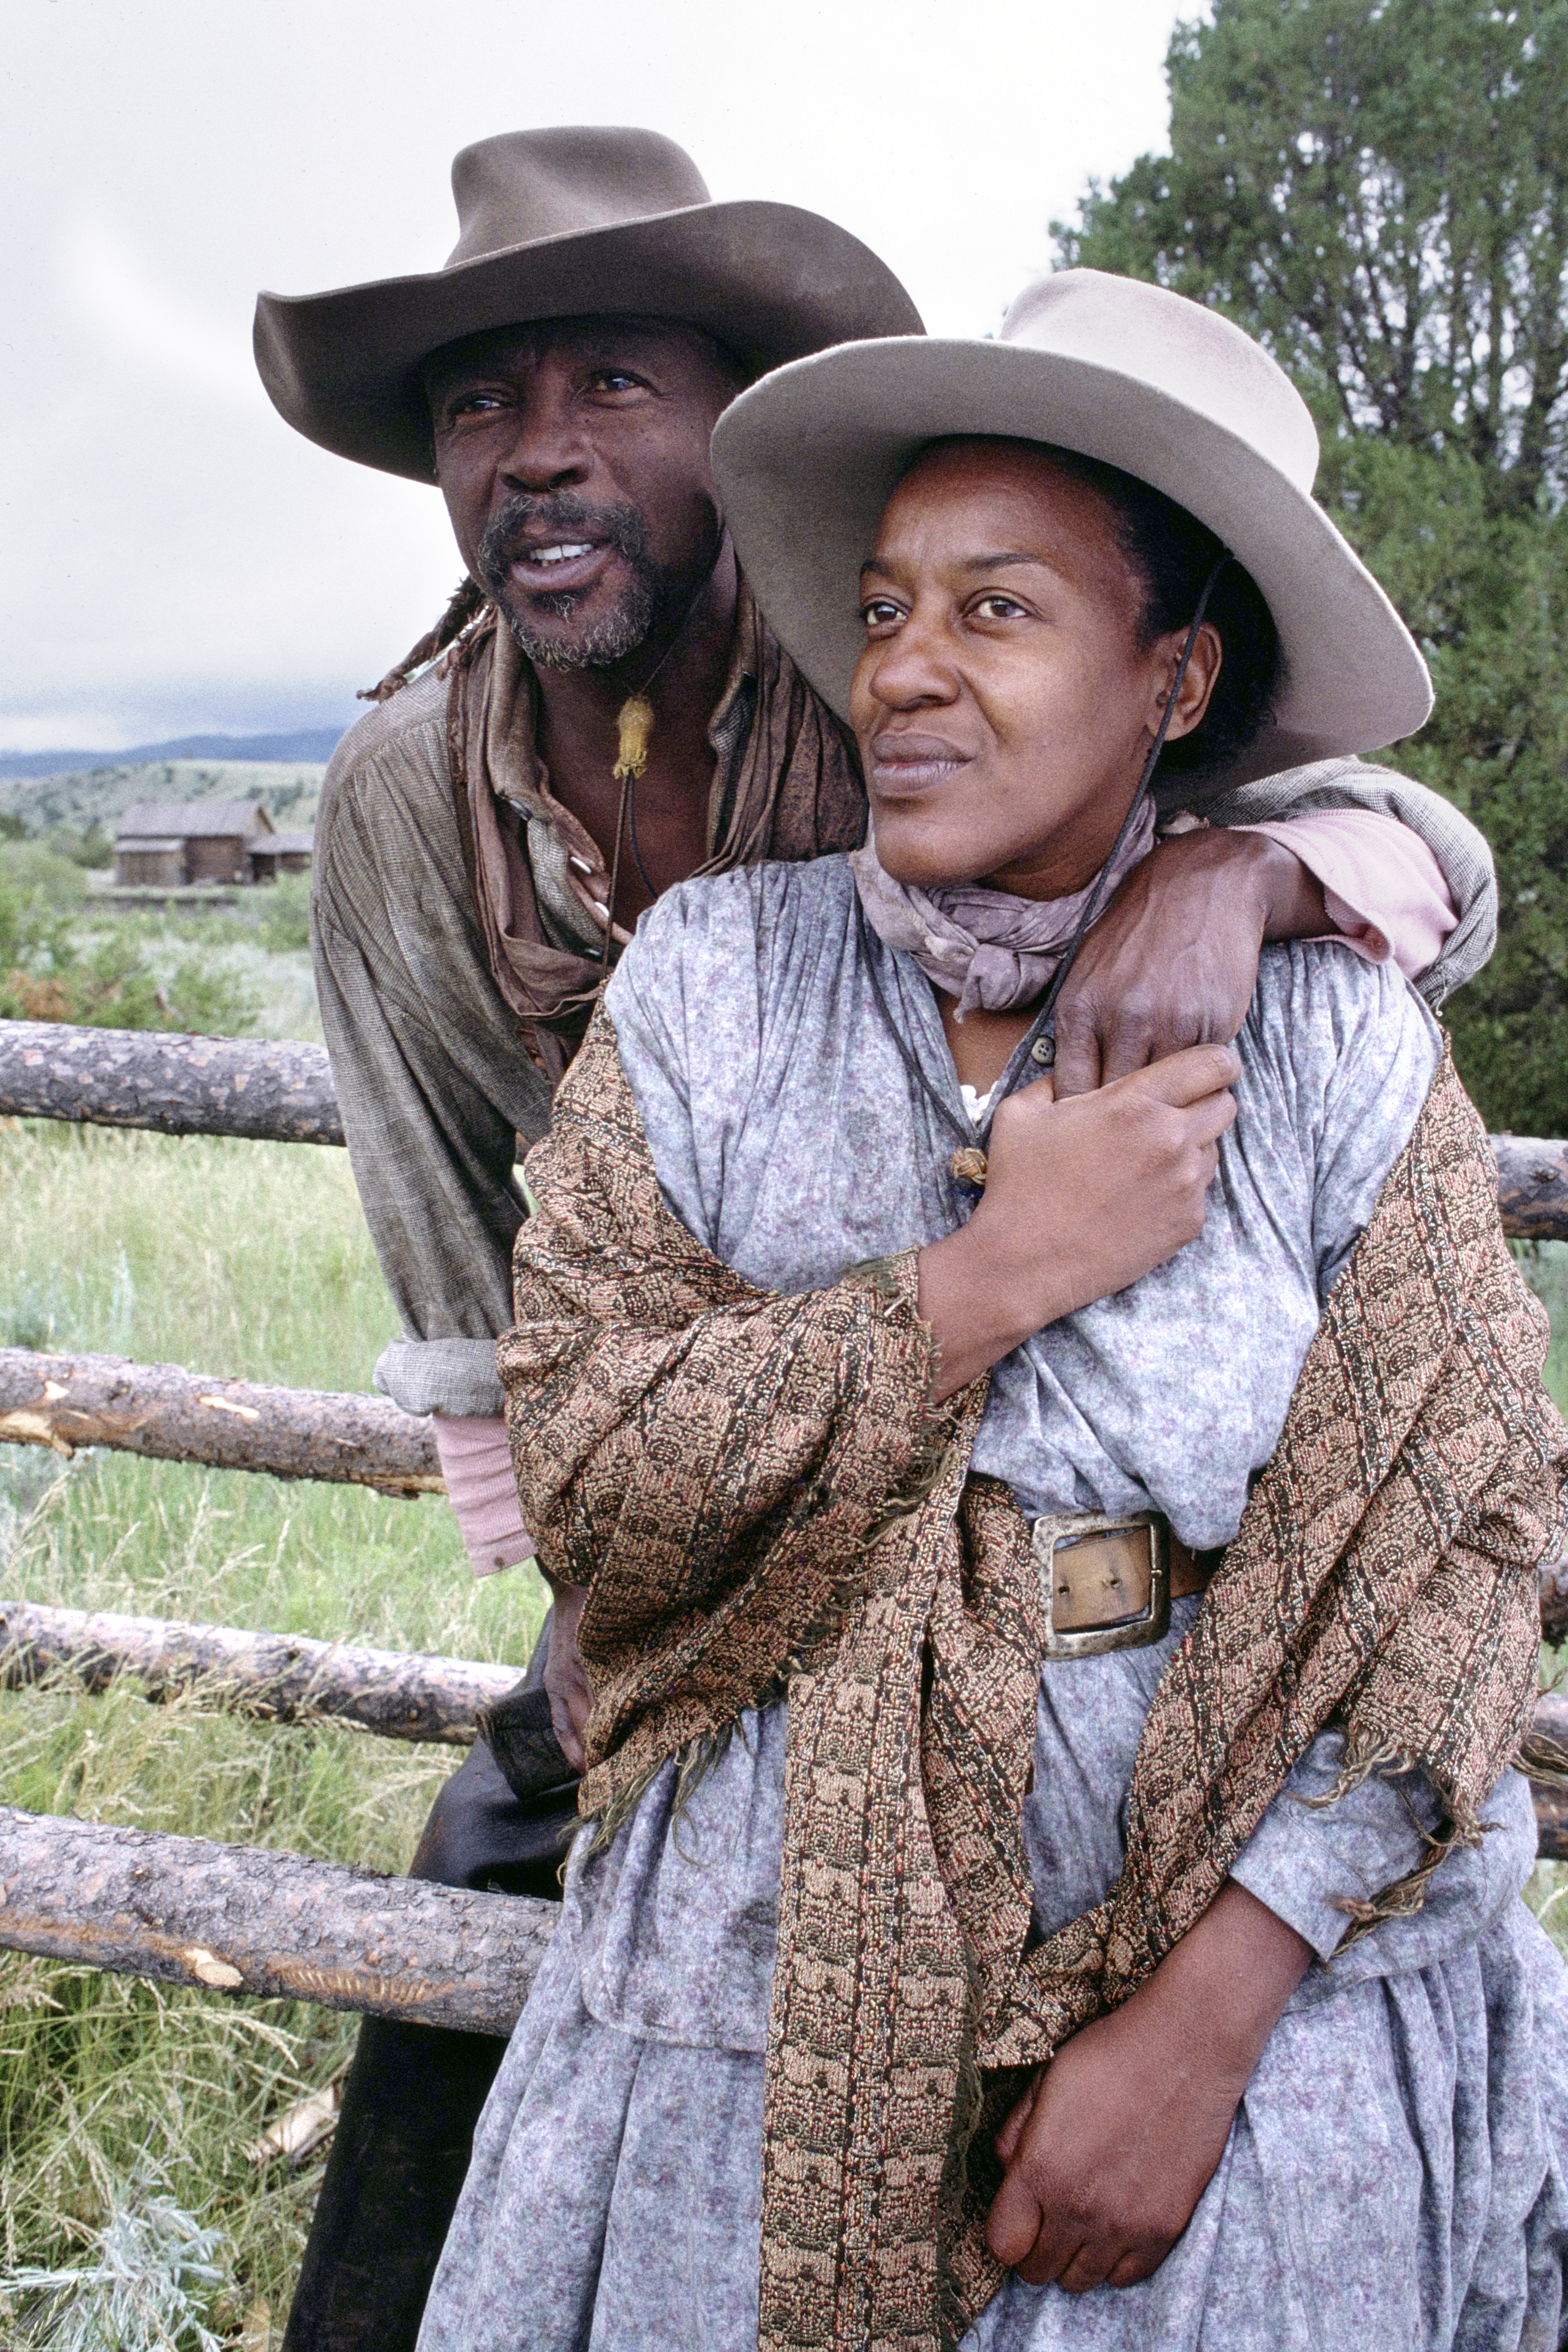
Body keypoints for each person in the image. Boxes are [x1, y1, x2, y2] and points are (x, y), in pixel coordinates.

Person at [255, 131, 1496, 2349]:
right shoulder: (421, 800)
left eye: (610, 390)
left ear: (722, 430)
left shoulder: (912, 712)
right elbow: (468, 1269)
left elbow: (1388, 851)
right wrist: (615, 1583)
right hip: (710, 1540)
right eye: (479, 409)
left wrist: (1234, 884)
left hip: (1120, 1675)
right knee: (489, 1971)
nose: (540, 459)